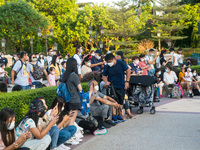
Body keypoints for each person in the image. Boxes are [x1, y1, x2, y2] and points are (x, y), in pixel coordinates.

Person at [102, 53, 131, 120]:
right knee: (113, 100)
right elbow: (104, 75)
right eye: (107, 62)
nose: (109, 63)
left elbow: (128, 70)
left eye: (109, 62)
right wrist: (106, 82)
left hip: (121, 84)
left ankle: (119, 114)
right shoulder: (107, 66)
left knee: (120, 100)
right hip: (112, 86)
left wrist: (127, 81)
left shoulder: (121, 63)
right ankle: (114, 115)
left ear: (114, 59)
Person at [62, 58, 83, 125]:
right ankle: (71, 133)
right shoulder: (73, 75)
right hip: (74, 99)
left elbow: (58, 84)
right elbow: (80, 88)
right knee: (72, 120)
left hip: (66, 99)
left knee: (69, 118)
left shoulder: (64, 74)